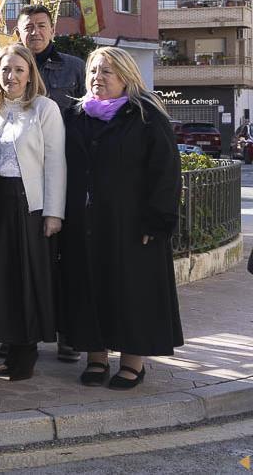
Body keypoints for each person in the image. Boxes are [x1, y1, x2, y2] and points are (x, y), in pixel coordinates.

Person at [61, 47, 183, 390]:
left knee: (132, 292)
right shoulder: (75, 115)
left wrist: (157, 221)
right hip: (85, 223)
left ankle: (133, 363)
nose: (97, 78)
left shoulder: (145, 116)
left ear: (126, 77)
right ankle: (96, 358)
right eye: (93, 72)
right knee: (90, 287)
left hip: (131, 224)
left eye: (106, 73)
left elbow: (166, 174)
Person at [0, 44, 66, 382]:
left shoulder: (45, 108)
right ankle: (11, 348)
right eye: (5, 70)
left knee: (27, 279)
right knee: (1, 279)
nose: (10, 76)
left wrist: (53, 213)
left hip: (30, 204)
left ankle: (26, 352)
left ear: (30, 75)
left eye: (18, 70)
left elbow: (56, 163)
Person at [15, 3, 84, 364]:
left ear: (52, 30)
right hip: (21, 180)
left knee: (64, 256)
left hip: (65, 173)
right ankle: (19, 332)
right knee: (24, 260)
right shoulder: (11, 68)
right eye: (29, 27)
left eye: (42, 26)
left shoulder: (73, 68)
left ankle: (68, 334)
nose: (35, 33)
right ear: (19, 32)